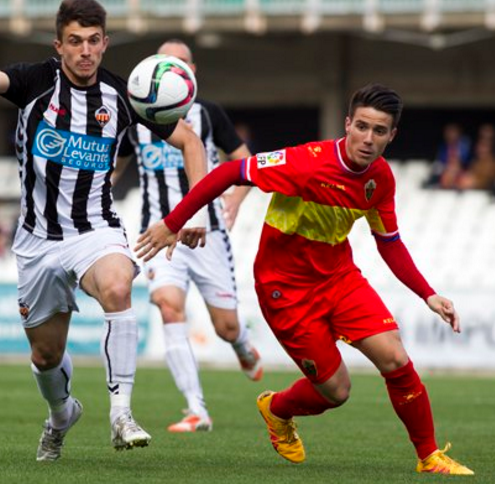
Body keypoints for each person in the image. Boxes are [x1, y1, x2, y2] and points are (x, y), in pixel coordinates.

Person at [135, 84, 473, 475]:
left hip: (339, 278)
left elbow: (390, 242)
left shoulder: (380, 179)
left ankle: (429, 457)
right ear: (347, 124)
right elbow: (229, 172)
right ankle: (276, 409)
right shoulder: (305, 162)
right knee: (337, 391)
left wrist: (428, 294)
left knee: (396, 358)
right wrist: (172, 223)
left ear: (391, 135)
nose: (368, 138)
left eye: (379, 131)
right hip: (285, 288)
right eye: (362, 126)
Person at [0, 0, 208, 462]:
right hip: (37, 239)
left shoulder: (123, 96)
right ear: (59, 45)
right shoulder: (36, 81)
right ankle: (61, 415)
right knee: (46, 356)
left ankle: (122, 414)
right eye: (75, 41)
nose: (85, 51)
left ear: (105, 43)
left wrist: (193, 214)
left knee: (117, 286)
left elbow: (190, 142)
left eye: (93, 41)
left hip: (95, 229)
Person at [115, 39, 263, 433]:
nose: (171, 69)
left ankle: (242, 344)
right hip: (160, 232)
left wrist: (236, 198)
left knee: (225, 327)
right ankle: (197, 409)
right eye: (164, 62)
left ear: (192, 73)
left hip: (208, 232)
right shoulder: (137, 117)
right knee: (168, 306)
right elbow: (115, 167)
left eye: (180, 62)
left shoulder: (208, 114)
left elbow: (244, 162)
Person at [426, 122, 472, 189]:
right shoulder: (443, 147)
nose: (450, 135)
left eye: (452, 132)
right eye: (448, 132)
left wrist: (457, 167)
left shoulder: (465, 145)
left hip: (462, 171)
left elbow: (467, 161)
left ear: (458, 133)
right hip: (447, 171)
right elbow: (441, 162)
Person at [457, 123, 495, 190]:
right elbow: (469, 175)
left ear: (489, 148)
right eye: (479, 146)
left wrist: (474, 182)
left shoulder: (492, 163)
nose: (481, 149)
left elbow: (489, 182)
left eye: (484, 147)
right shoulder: (475, 162)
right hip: (472, 192)